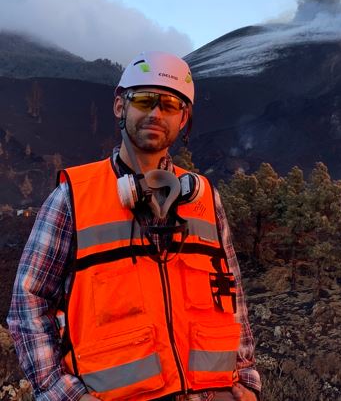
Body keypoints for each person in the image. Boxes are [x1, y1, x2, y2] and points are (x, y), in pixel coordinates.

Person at [7, 51, 261, 401]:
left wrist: (246, 379)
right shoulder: (72, 199)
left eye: (170, 104)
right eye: (143, 99)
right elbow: (27, 300)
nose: (155, 113)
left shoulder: (204, 199)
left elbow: (231, 291)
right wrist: (60, 392)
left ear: (184, 118)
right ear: (119, 107)